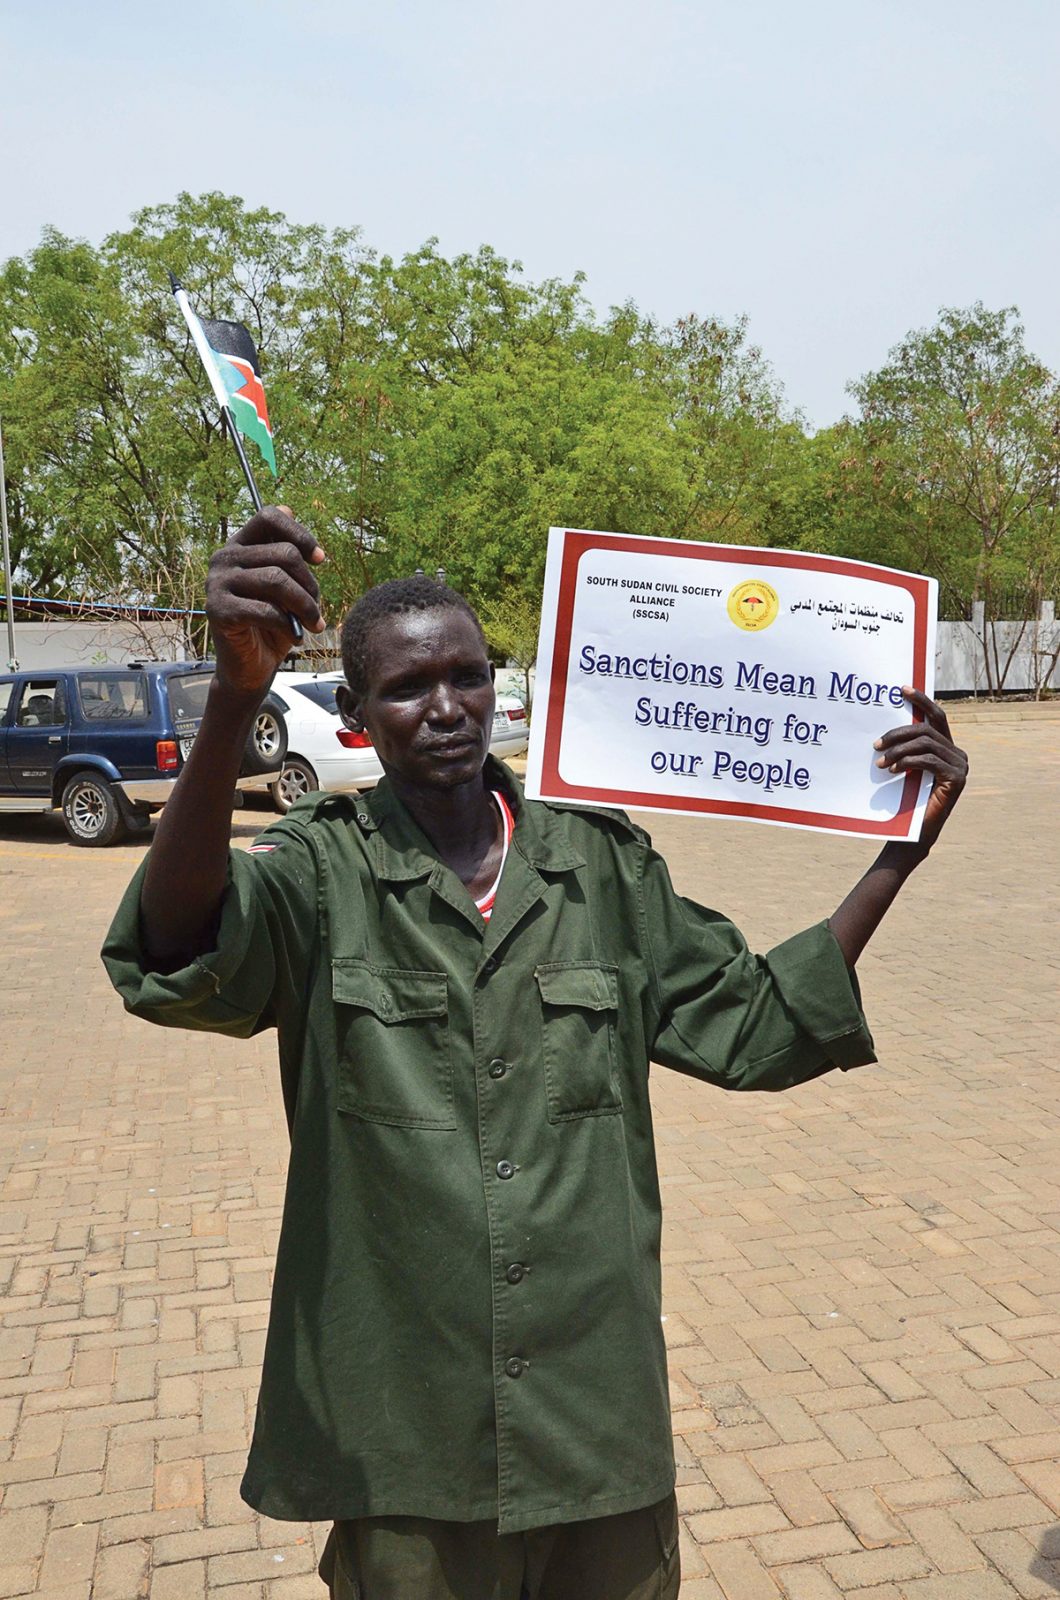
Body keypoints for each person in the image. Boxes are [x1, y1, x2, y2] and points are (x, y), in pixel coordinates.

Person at [102, 508, 968, 1600]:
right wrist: (234, 700)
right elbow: (176, 948)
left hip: (591, 1430)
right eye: (408, 687)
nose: (447, 706)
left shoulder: (599, 870)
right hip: (405, 1438)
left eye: (467, 675)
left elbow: (756, 1023)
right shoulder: (318, 873)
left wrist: (899, 849)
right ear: (360, 718)